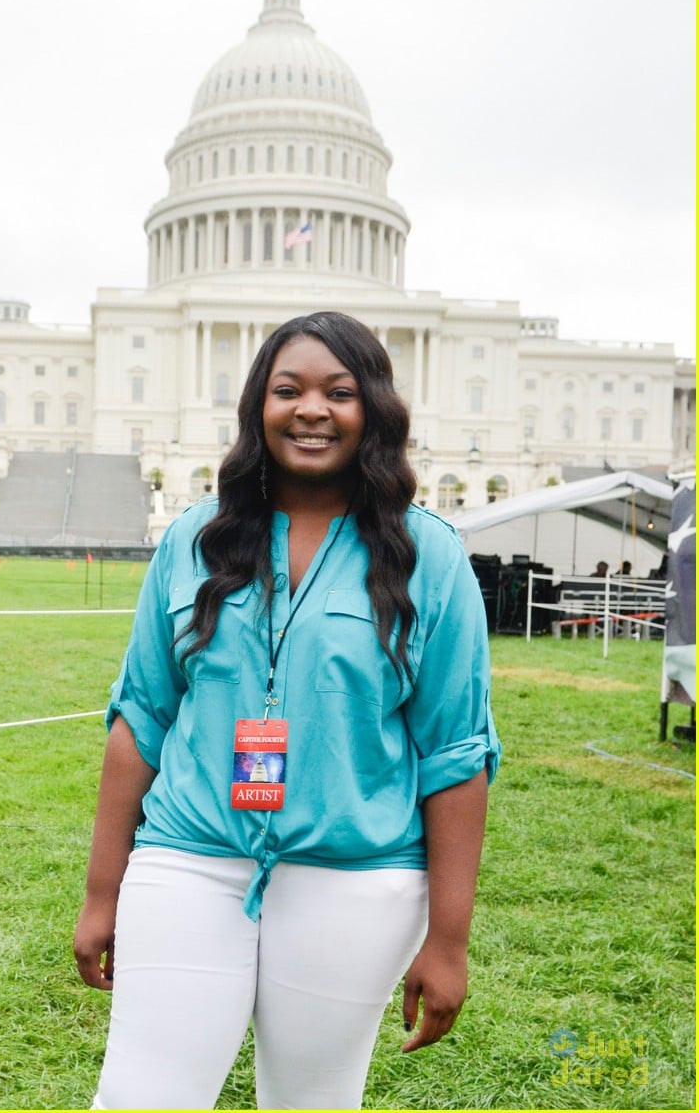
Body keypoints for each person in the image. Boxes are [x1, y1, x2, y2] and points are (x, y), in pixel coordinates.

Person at [74, 311, 500, 1110]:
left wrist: (448, 942)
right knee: (142, 1097)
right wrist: (103, 893)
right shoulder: (193, 539)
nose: (311, 410)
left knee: (311, 1101)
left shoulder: (427, 554)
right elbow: (141, 718)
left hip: (355, 877)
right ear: (256, 406)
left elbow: (454, 752)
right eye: (288, 390)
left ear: (372, 409)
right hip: (188, 857)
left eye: (339, 392)